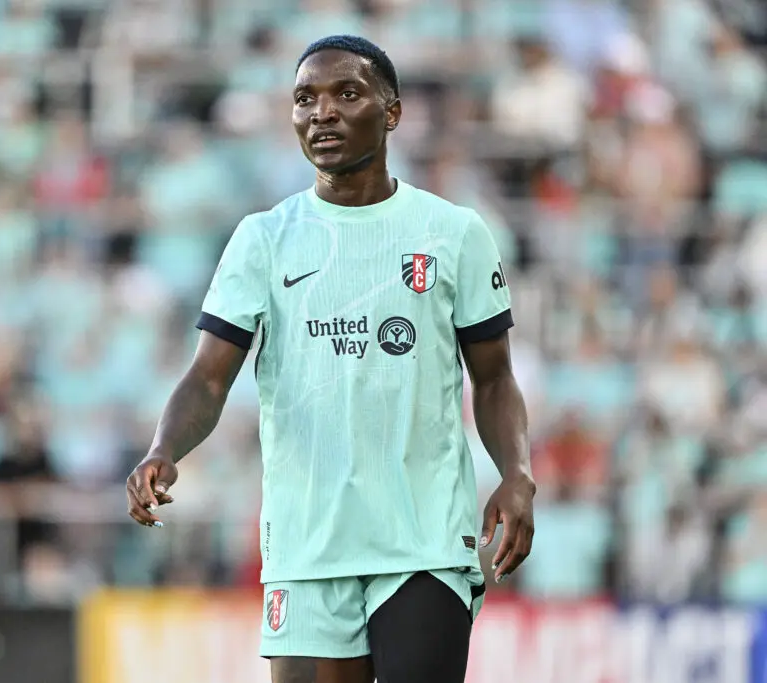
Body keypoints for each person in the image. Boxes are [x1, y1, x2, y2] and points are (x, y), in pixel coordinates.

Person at [126, 35, 536, 683]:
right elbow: (209, 377)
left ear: (393, 111)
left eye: (347, 93)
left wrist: (516, 472)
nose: (322, 112)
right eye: (304, 99)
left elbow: (493, 379)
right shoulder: (263, 239)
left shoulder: (453, 233)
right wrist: (163, 449)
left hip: (421, 538)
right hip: (306, 544)